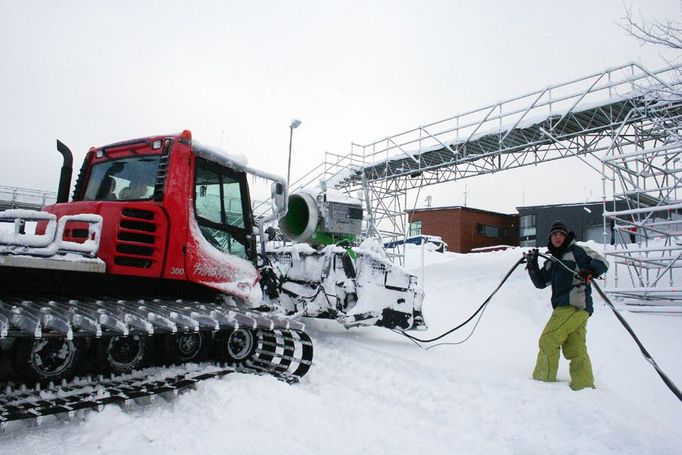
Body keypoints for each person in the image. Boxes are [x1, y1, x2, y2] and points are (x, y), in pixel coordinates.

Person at [524, 221, 609, 390]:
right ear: (550, 237)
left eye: (561, 234)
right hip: (574, 309)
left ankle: (543, 382)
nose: (557, 237)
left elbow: (603, 262)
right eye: (554, 234)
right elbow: (541, 282)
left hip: (573, 305)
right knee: (575, 348)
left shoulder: (578, 251)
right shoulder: (553, 260)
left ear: (566, 237)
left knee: (549, 339)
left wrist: (590, 270)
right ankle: (584, 386)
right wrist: (532, 264)